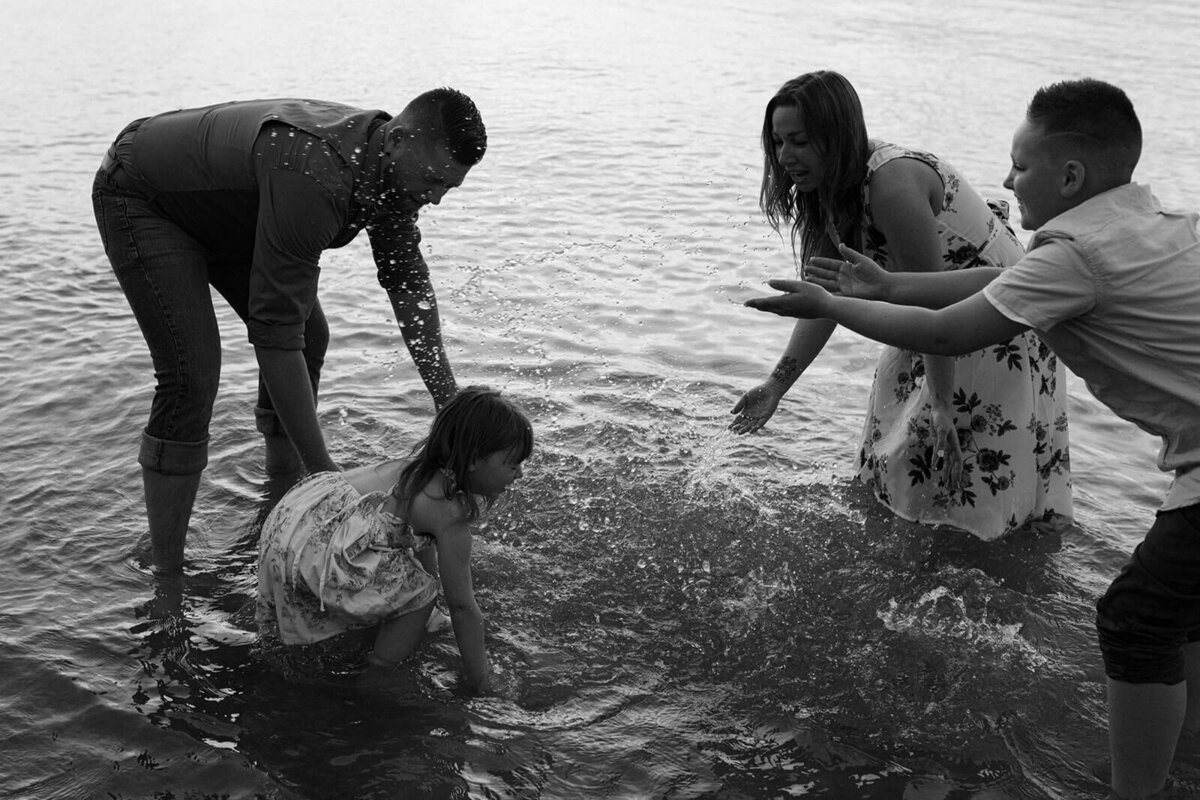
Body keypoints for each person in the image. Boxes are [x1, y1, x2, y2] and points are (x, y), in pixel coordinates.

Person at [747, 78, 1200, 800]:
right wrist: (882, 292)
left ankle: (1139, 787)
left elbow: (948, 329)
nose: (1004, 180)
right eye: (780, 140)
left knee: (1136, 619)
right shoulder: (1159, 221)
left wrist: (849, 306)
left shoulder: (1075, 253)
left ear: (1071, 175)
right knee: (1181, 617)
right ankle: (1181, 760)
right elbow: (994, 276)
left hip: (1022, 374)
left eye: (1019, 166)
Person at [92, 89, 487, 574]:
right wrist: (330, 484)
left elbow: (408, 289)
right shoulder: (316, 176)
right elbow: (275, 337)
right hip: (146, 195)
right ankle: (167, 575)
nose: (434, 197)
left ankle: (277, 502)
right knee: (191, 375)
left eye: (447, 187)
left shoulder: (393, 177)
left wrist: (449, 403)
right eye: (431, 180)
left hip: (231, 210)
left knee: (311, 336)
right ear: (398, 140)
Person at [730, 70, 1070, 540]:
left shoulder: (891, 184)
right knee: (889, 466)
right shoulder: (830, 189)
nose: (786, 157)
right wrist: (775, 385)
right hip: (915, 312)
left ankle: (971, 579)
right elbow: (825, 302)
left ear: (837, 136)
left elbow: (931, 308)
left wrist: (944, 405)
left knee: (965, 485)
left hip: (991, 323)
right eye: (778, 142)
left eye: (800, 141)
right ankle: (907, 574)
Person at [255, 386, 532, 693]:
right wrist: (481, 679)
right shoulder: (451, 514)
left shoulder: (413, 469)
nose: (519, 474)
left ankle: (279, 643)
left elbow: (420, 550)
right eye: (512, 464)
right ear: (473, 461)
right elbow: (463, 607)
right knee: (422, 595)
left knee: (412, 582)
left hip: (296, 516)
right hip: (324, 545)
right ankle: (379, 675)